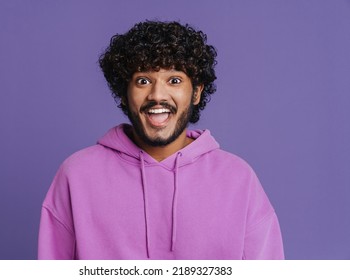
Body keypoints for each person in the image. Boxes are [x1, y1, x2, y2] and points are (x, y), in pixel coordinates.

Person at [38, 20, 284, 260]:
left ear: (196, 92)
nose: (157, 95)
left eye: (174, 80)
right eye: (143, 81)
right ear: (124, 93)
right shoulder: (77, 175)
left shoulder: (239, 179)